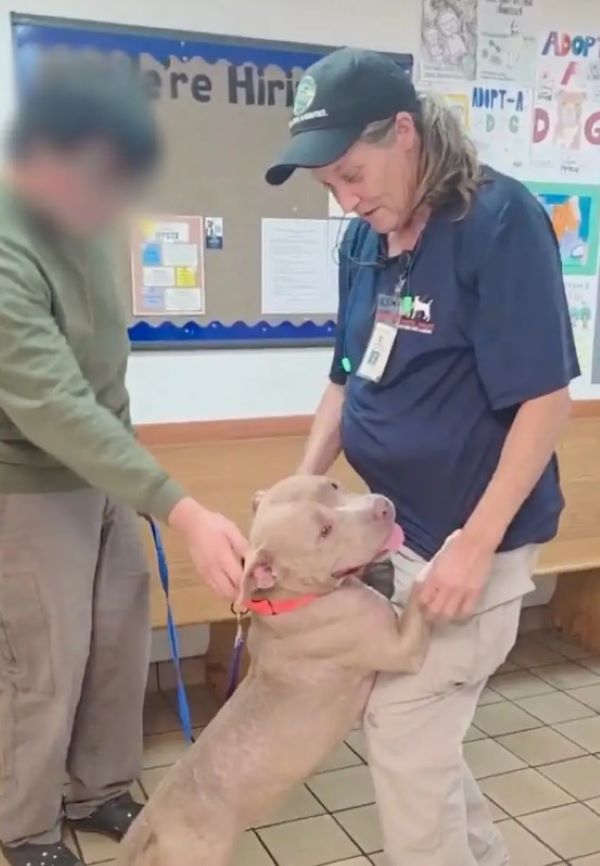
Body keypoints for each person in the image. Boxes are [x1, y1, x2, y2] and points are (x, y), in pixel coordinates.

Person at [266, 47, 578, 866]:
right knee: (421, 740)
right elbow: (344, 378)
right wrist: (300, 493)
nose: (347, 198)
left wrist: (475, 544)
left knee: (403, 731)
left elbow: (546, 401)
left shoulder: (497, 222)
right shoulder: (365, 242)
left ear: (404, 132)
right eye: (329, 184)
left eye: (353, 173)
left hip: (472, 543)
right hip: (396, 537)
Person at [0, 59, 247, 866]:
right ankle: (26, 827)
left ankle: (98, 788)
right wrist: (177, 504)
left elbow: (103, 374)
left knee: (117, 634)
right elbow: (51, 402)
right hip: (26, 485)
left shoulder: (82, 225)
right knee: (44, 661)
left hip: (100, 474)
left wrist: (134, 479)